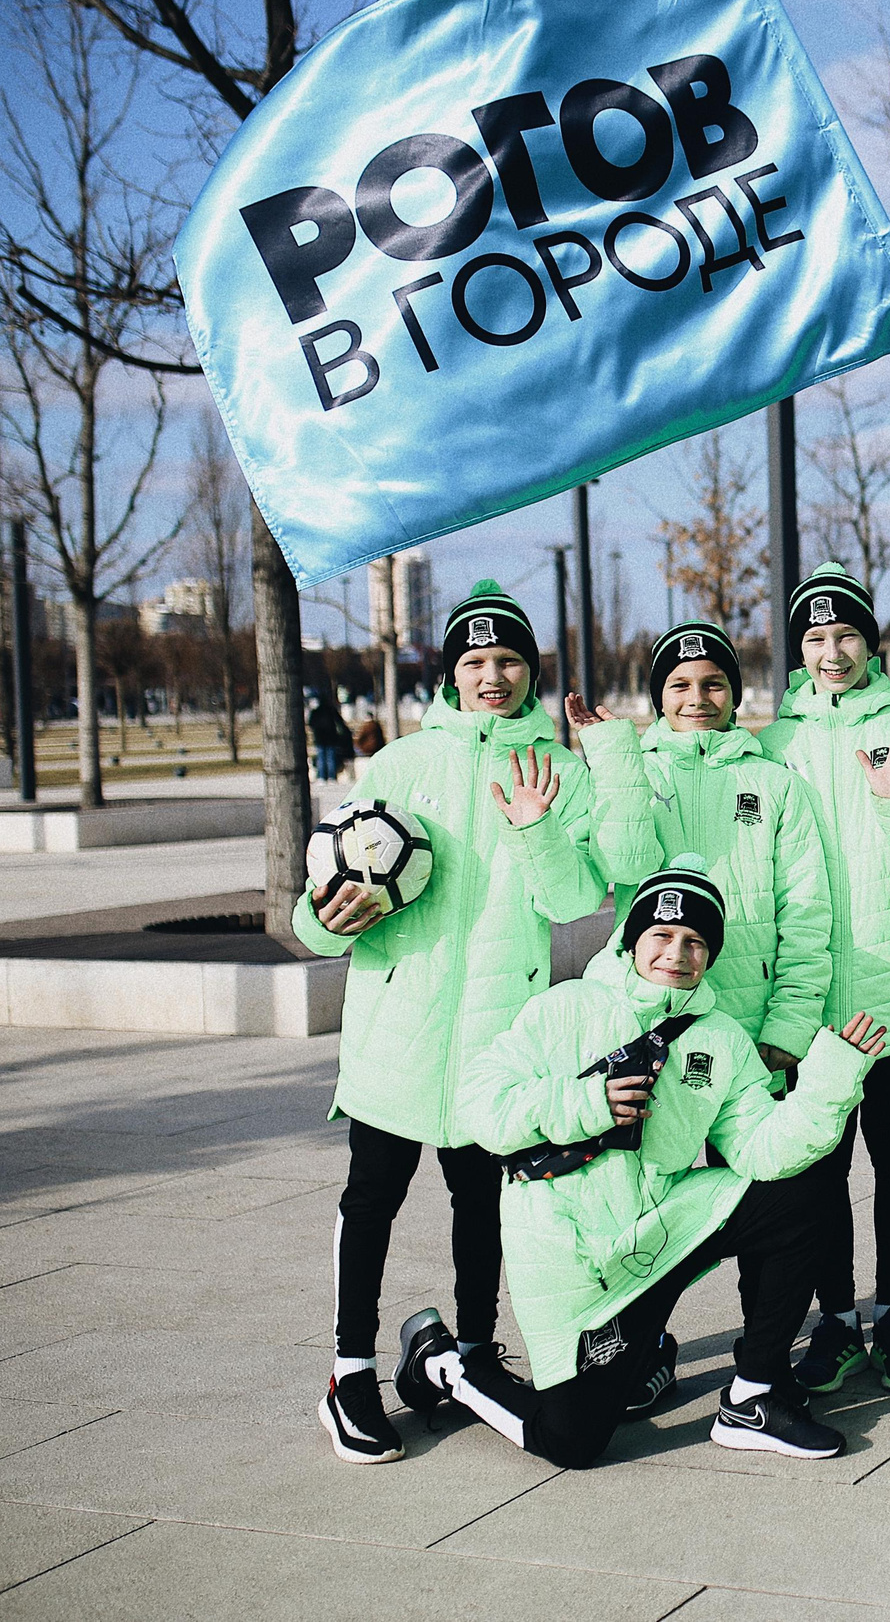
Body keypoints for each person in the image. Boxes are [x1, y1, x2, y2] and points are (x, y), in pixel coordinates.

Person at [399, 863, 890, 1467]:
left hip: (660, 1228)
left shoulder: (721, 1038)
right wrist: (585, 1102)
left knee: (802, 1193)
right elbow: (480, 1105)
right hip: (570, 1252)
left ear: (709, 957)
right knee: (572, 1444)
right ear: (632, 942)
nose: (676, 954)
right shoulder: (566, 1006)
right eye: (660, 937)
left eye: (695, 942)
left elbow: (762, 1151)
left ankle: (754, 1395)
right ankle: (445, 1367)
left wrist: (827, 1083)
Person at [298, 581, 603, 1465]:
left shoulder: (558, 766)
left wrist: (541, 828)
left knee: (484, 1203)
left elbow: (578, 898)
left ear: (531, 670)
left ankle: (473, 1353)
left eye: (508, 660)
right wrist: (327, 922)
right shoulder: (398, 763)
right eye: (473, 661)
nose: (492, 676)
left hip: (495, 1033)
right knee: (373, 1199)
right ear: (450, 673)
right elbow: (320, 897)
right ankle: (349, 1371)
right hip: (400, 1024)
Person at [761, 563, 890, 1397]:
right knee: (820, 1168)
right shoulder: (775, 743)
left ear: (871, 642)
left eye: (846, 634)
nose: (832, 651)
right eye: (815, 638)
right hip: (810, 1000)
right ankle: (837, 1319)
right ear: (797, 650)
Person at [568, 620, 833, 1083]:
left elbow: (805, 911)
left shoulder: (776, 785)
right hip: (650, 1011)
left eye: (714, 684)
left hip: (752, 1017)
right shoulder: (632, 775)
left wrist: (791, 1021)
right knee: (657, 1151)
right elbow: (620, 863)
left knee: (749, 1153)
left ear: (734, 694)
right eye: (680, 685)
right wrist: (615, 760)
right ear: (659, 697)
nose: (697, 698)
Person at [309, 689, 354, 784]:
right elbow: (340, 722)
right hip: (331, 738)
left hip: (320, 737)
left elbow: (311, 723)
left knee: (321, 758)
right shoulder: (331, 710)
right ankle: (331, 776)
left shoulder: (316, 712)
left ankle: (321, 776)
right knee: (330, 758)